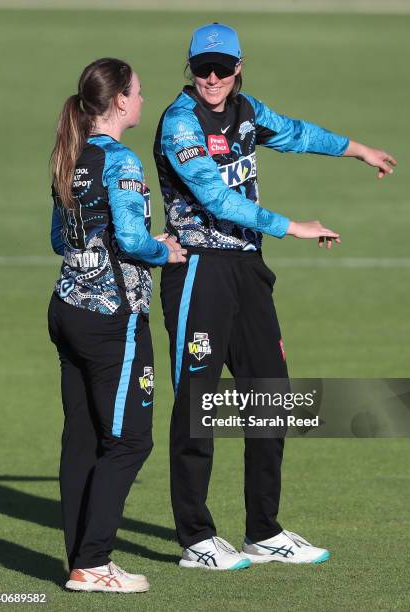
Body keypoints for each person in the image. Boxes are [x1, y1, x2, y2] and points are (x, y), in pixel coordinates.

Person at [153, 23, 397, 570]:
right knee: (199, 404)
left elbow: (295, 133)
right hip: (199, 271)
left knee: (270, 396)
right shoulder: (179, 123)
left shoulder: (246, 111)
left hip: (246, 270)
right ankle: (196, 538)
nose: (211, 78)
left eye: (221, 68)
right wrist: (294, 226)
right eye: (202, 68)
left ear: (238, 67)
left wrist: (358, 150)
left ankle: (263, 530)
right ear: (190, 68)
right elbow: (215, 198)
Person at [48, 57, 186, 593]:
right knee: (129, 441)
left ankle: (80, 560)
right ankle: (94, 562)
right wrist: (165, 251)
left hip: (67, 310)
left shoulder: (68, 154)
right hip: (113, 319)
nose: (144, 100)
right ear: (121, 101)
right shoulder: (122, 162)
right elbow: (131, 240)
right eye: (140, 92)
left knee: (81, 438)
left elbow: (60, 241)